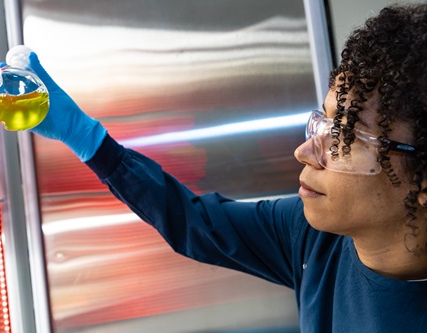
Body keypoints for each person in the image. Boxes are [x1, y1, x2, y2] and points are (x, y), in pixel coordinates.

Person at [25, 4, 427, 332]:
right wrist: (89, 141)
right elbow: (195, 224)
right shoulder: (315, 239)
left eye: (344, 137)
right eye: (323, 123)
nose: (305, 151)